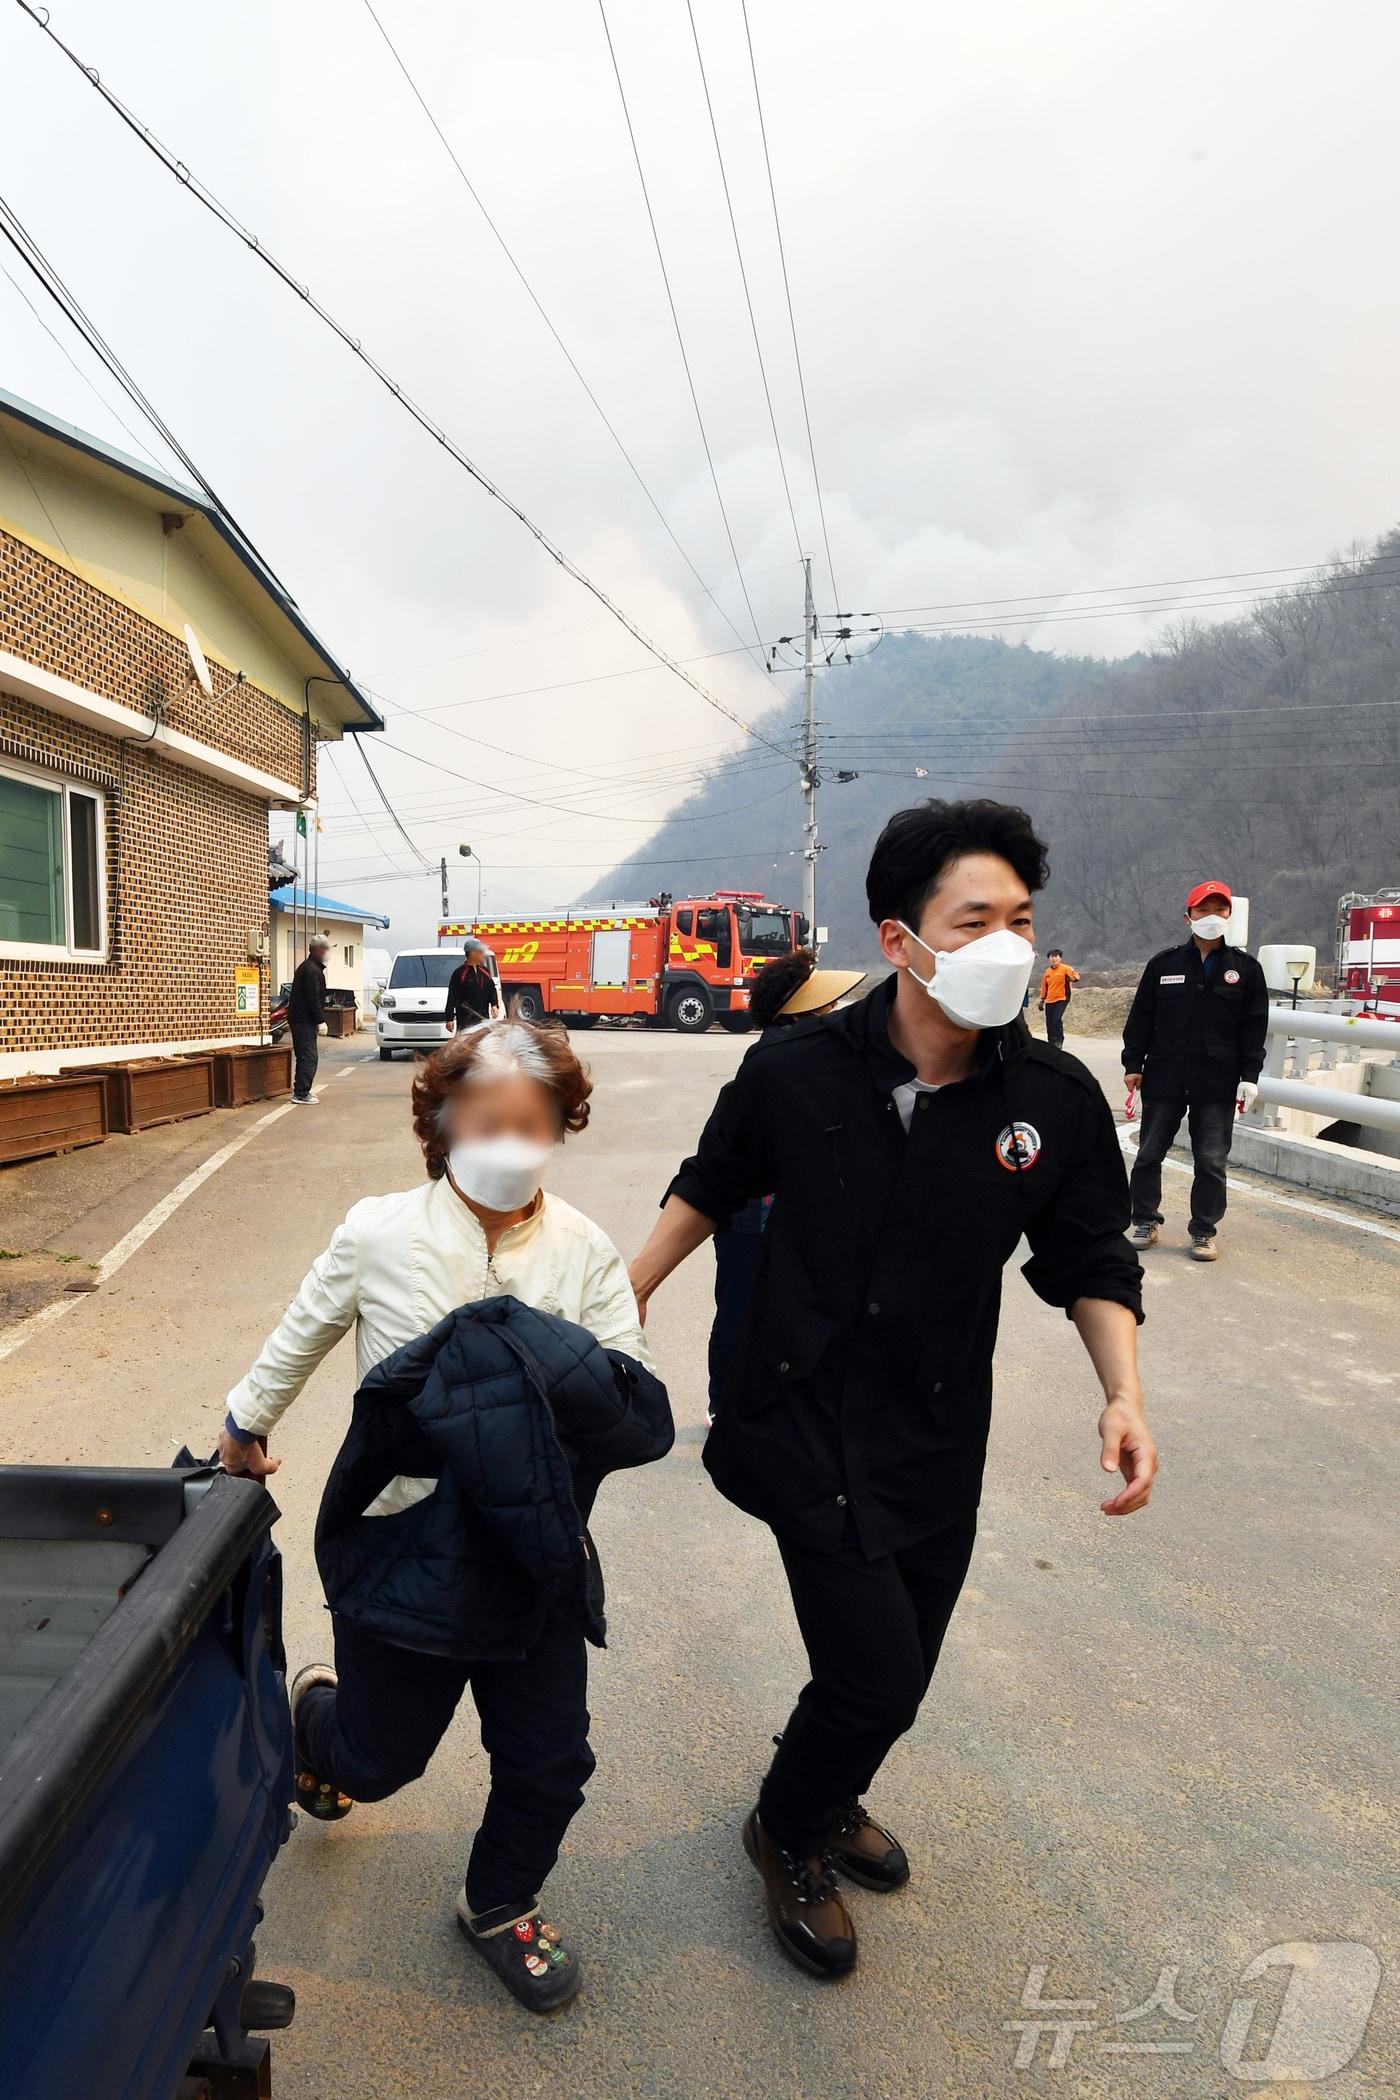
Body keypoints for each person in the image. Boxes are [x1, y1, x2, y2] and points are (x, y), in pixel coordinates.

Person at [629, 799, 1156, 1981]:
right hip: (798, 1415)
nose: (1005, 946)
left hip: (931, 1429)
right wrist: (631, 1290)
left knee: (896, 1674)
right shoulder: (795, 1070)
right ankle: (785, 1828)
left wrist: (1121, 1393)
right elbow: (711, 1182)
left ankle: (828, 1786)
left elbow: (1089, 1258)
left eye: (1019, 919)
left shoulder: (1049, 1100)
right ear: (900, 939)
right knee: (873, 1674)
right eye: (974, 921)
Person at [220, 1018, 671, 2012]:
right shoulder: (378, 1230)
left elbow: (625, 1382)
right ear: (440, 1123)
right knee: (378, 1764)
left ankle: (499, 1902)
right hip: (401, 1545)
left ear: (560, 1127)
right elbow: (303, 1330)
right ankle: (317, 1722)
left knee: (550, 1760)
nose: (509, 1139)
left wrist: (547, 1367)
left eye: (531, 1121)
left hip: (531, 1553)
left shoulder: (584, 1248)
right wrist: (243, 1426)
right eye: (485, 1120)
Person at [706, 951, 866, 1421]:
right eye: (823, 1006)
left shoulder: (819, 1063)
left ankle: (764, 1404)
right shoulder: (770, 1069)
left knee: (780, 1314)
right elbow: (714, 1168)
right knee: (739, 1311)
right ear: (797, 1013)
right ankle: (724, 1404)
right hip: (750, 1217)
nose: (832, 1013)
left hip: (788, 1219)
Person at [1122, 879, 1268, 1262]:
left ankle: (1203, 1230)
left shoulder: (1246, 970)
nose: (1211, 916)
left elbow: (1254, 1028)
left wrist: (1250, 1077)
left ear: (1229, 915)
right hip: (1165, 1077)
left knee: (1211, 1161)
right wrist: (1133, 1064)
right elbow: (1141, 1019)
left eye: (1219, 909)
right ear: (1188, 916)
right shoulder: (1163, 965)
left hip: (1217, 1082)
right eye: (1203, 910)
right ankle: (1145, 1220)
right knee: (1149, 1154)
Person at [287, 934, 330, 1104]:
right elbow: (313, 998)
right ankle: (301, 1093)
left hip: (300, 1019)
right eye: (325, 949)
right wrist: (320, 1020)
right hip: (303, 1020)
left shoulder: (309, 967)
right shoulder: (312, 970)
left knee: (305, 1055)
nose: (327, 952)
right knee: (308, 1056)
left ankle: (302, 1090)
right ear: (318, 950)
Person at [448, 940, 499, 1033]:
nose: (483, 954)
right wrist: (449, 1018)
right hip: (465, 1022)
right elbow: (451, 996)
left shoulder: (485, 971)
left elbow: (492, 989)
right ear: (472, 953)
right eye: (481, 952)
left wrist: (494, 1005)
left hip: (483, 1020)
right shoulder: (459, 973)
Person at [1037, 946, 1079, 1047]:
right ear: (1049, 959)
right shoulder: (1047, 972)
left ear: (1060, 958)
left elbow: (1076, 975)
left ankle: (1059, 1039)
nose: (1054, 959)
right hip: (1049, 1000)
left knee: (1056, 1019)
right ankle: (1051, 1042)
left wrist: (1073, 979)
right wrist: (1042, 1000)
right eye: (1052, 957)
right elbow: (1044, 987)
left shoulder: (1066, 969)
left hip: (1062, 998)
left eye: (1056, 956)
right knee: (1049, 1022)